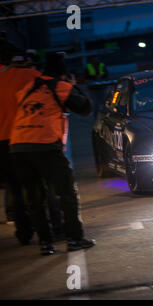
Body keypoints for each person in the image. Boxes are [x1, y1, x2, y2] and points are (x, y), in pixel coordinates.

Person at [9, 52, 96, 255]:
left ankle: (45, 244)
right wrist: (73, 85)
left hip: (18, 146)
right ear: (62, 74)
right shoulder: (61, 86)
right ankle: (75, 239)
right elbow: (85, 108)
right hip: (45, 145)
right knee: (66, 192)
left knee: (35, 198)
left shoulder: (28, 88)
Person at [0, 43, 42, 245]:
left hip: (2, 142)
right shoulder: (29, 76)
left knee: (15, 189)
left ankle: (23, 232)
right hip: (27, 137)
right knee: (34, 185)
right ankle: (44, 230)